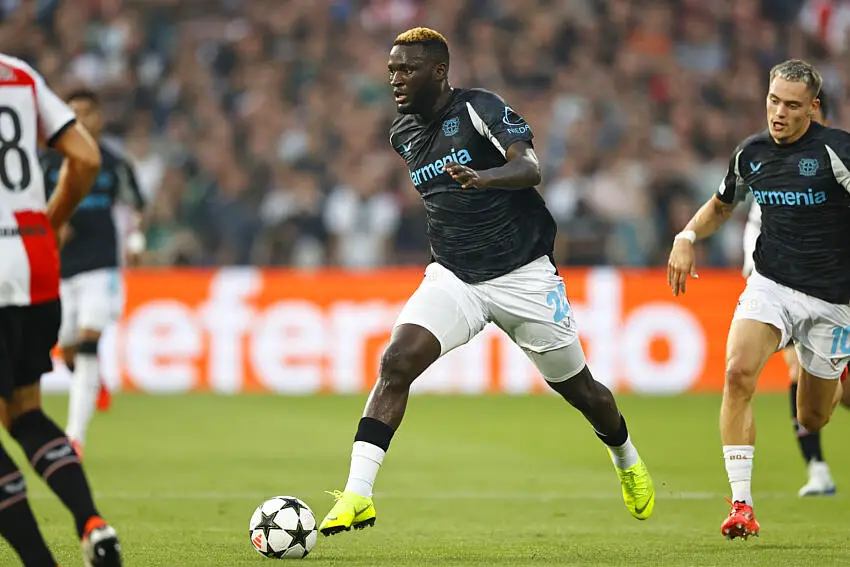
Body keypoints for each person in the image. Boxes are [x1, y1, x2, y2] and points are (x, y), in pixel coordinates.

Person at [317, 27, 654, 538]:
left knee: (584, 392)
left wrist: (485, 177)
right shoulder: (402, 133)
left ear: (438, 71)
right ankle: (357, 495)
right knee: (396, 361)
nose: (395, 79)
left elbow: (530, 168)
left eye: (406, 69)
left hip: (523, 275)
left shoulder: (479, 108)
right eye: (391, 70)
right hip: (455, 276)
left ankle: (625, 457)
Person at [668, 59, 850, 540]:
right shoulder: (751, 153)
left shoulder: (837, 152)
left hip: (834, 301)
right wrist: (687, 236)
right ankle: (741, 505)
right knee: (736, 373)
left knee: (813, 416)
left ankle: (838, 374)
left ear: (812, 107)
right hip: (772, 285)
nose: (779, 113)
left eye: (791, 105)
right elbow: (721, 205)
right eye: (773, 101)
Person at [0, 54, 122, 565]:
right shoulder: (19, 76)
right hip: (34, 264)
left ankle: (38, 560)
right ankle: (92, 522)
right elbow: (86, 158)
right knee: (25, 413)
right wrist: (48, 221)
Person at [741, 90, 848, 498]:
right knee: (795, 371)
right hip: (787, 286)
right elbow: (756, 223)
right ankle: (817, 468)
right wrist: (757, 275)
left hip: (838, 293)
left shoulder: (838, 163)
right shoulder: (773, 166)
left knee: (839, 396)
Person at [41, 89, 146, 459]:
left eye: (88, 112)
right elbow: (33, 206)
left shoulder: (114, 163)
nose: (82, 119)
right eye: (75, 113)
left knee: (88, 342)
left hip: (101, 265)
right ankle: (96, 382)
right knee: (66, 345)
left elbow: (136, 205)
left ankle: (74, 437)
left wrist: (135, 242)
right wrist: (53, 225)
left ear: (100, 118)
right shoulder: (50, 162)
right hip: (61, 267)